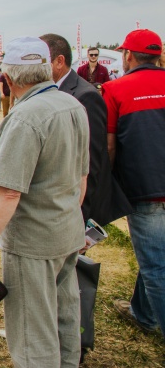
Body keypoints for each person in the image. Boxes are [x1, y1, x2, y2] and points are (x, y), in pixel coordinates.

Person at [0, 36, 89, 368]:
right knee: (64, 318)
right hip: (66, 232)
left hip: (34, 243)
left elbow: (8, 192)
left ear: (8, 80)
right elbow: (82, 179)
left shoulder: (25, 118)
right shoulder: (72, 105)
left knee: (32, 332)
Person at [102, 29, 165, 337]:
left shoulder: (115, 88)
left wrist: (105, 188)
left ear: (128, 55)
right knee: (154, 256)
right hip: (152, 186)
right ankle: (143, 313)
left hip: (144, 188)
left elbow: (110, 146)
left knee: (156, 268)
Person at [40, 33, 132, 226]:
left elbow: (91, 160)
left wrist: (80, 217)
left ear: (59, 61)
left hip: (76, 206)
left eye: (40, 60)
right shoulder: (50, 91)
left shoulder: (84, 97)